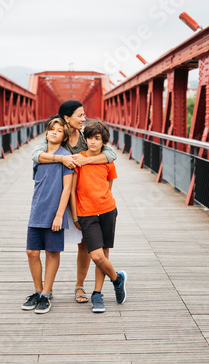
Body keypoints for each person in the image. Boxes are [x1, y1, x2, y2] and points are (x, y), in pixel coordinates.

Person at [31, 100, 117, 303]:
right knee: (51, 244)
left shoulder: (86, 138)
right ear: (66, 118)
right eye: (79, 115)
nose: (83, 118)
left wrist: (85, 160)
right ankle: (45, 289)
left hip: (83, 199)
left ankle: (80, 286)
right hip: (57, 197)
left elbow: (110, 154)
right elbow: (36, 155)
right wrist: (62, 159)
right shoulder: (57, 135)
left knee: (85, 245)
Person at [70, 119, 127, 313]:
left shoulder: (108, 162)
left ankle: (97, 294)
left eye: (97, 138)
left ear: (104, 141)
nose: (93, 142)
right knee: (96, 255)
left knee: (104, 254)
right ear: (85, 140)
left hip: (107, 211)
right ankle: (118, 279)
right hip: (86, 214)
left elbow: (108, 187)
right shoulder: (78, 160)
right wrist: (75, 216)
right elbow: (72, 190)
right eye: (90, 138)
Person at [22, 116, 74, 314]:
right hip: (37, 210)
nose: (54, 132)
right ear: (46, 133)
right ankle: (37, 290)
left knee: (52, 253)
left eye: (59, 130)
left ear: (63, 137)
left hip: (55, 213)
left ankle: (45, 294)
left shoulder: (67, 158)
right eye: (52, 129)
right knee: (31, 252)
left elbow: (67, 189)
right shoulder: (39, 155)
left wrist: (60, 215)